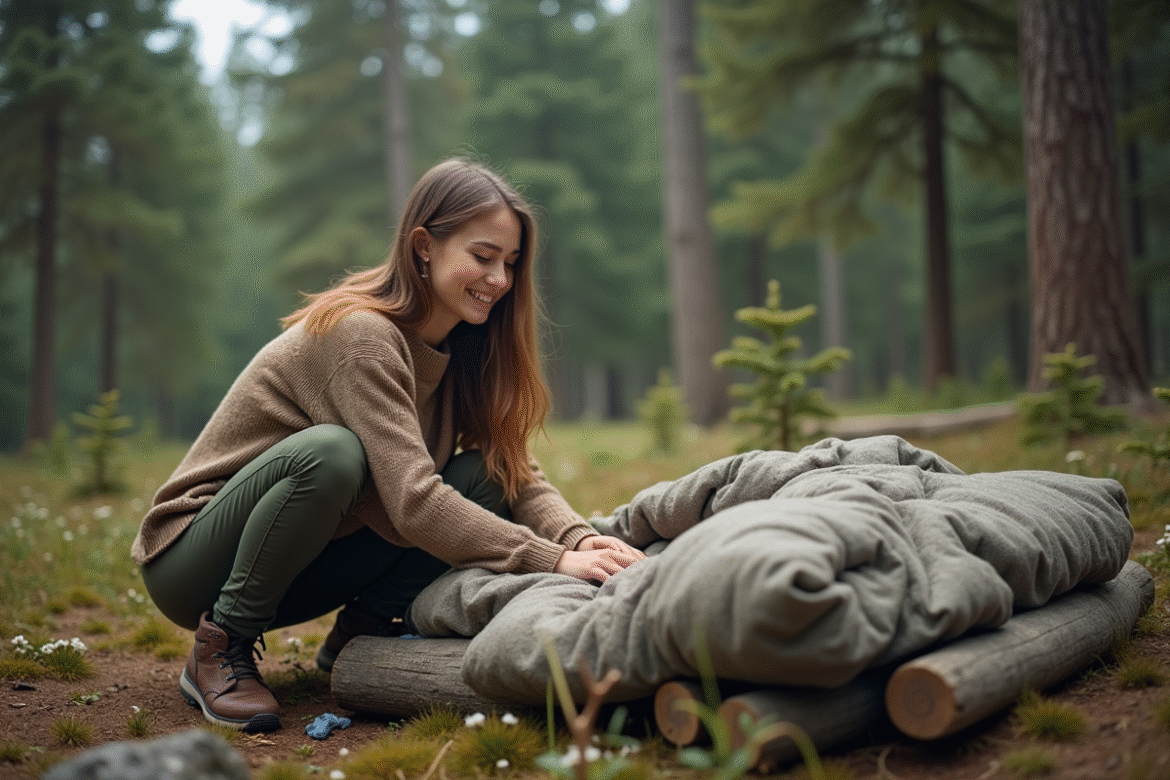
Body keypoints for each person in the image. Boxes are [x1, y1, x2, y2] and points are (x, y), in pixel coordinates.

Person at [131, 158, 646, 733]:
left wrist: (581, 539)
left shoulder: (463, 351)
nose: (500, 279)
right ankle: (220, 646)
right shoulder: (362, 336)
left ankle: (362, 633)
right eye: (482, 256)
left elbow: (516, 473)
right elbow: (414, 502)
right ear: (424, 246)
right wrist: (552, 560)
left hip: (302, 565)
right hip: (195, 562)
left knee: (485, 474)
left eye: (510, 262)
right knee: (331, 454)